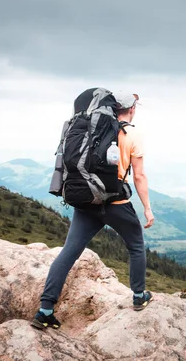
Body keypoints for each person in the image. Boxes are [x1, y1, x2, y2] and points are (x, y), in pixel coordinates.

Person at [31, 91, 155, 330]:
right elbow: (138, 175)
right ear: (131, 110)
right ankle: (139, 296)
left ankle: (45, 310)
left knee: (68, 253)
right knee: (136, 246)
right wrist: (147, 209)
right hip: (117, 204)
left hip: (87, 202)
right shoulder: (131, 133)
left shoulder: (86, 128)